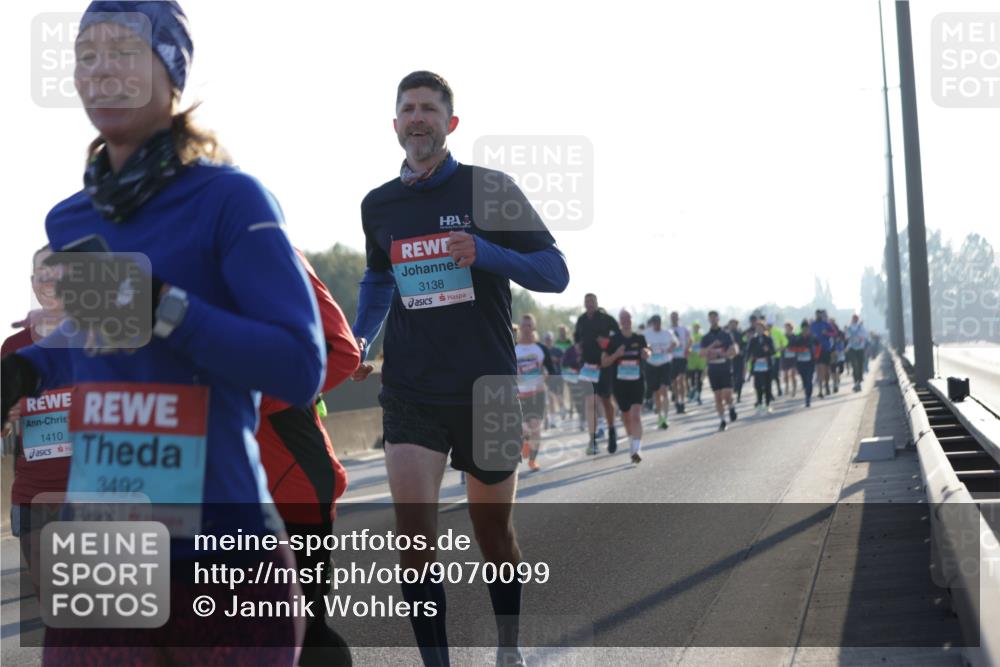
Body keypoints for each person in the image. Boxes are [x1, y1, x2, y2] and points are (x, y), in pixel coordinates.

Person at [0, 3, 325, 664]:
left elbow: (299, 365)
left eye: (123, 51)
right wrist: (32, 369)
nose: (101, 71)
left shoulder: (232, 200)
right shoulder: (70, 218)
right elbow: (109, 345)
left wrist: (167, 307)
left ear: (172, 70)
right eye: (86, 54)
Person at [348, 71, 568, 667]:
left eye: (429, 109)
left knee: (491, 533)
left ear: (451, 123)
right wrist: (361, 337)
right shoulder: (379, 206)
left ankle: (508, 646)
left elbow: (555, 271)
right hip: (411, 390)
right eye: (407, 109)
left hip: (489, 387)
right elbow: (377, 279)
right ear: (395, 124)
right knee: (414, 541)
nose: (417, 118)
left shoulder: (489, 189)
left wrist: (485, 251)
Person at [257, 249, 360, 666]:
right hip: (208, 480)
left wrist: (247, 400)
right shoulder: (160, 258)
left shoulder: (276, 253)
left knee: (302, 629)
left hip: (290, 474)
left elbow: (342, 352)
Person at [2, 246, 71, 581]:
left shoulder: (102, 338)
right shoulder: (13, 348)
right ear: (33, 282)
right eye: (42, 274)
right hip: (34, 497)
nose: (49, 282)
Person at [574, 293, 620, 455]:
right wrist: (578, 347)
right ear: (584, 304)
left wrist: (607, 347)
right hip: (588, 367)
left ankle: (612, 430)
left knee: (606, 401)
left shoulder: (606, 319)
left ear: (596, 302)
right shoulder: (581, 320)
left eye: (592, 301)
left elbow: (617, 336)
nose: (589, 304)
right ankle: (592, 440)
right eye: (587, 301)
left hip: (604, 366)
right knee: (590, 402)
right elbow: (577, 338)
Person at [602, 310, 650, 464]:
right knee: (626, 417)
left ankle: (637, 449)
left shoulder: (639, 338)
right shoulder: (613, 340)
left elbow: (648, 350)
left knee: (636, 415)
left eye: (628, 318)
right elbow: (604, 362)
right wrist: (616, 354)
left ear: (631, 319)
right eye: (623, 318)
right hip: (620, 383)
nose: (626, 321)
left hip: (637, 381)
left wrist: (646, 353)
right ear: (619, 321)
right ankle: (632, 441)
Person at [516, 315, 554, 471]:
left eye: (529, 325)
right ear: (520, 328)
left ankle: (532, 460)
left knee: (536, 428)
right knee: (524, 428)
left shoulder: (541, 349)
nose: (526, 328)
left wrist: (545, 377)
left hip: (538, 393)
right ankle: (525, 442)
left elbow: (552, 370)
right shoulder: (513, 348)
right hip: (519, 395)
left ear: (534, 328)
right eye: (524, 325)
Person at [699, 311, 738, 431]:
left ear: (718, 319)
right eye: (710, 318)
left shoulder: (726, 334)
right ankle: (722, 420)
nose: (713, 320)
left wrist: (727, 353)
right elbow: (701, 354)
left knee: (727, 395)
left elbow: (734, 349)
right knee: (717, 397)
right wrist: (712, 346)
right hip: (713, 369)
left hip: (725, 367)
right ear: (708, 320)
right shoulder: (705, 338)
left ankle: (731, 407)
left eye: (715, 318)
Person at [643, 314, 677, 430]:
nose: (658, 325)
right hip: (651, 364)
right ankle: (660, 417)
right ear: (652, 323)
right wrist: (647, 349)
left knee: (664, 390)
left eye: (659, 322)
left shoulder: (667, 332)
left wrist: (670, 349)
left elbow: (675, 343)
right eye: (655, 323)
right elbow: (641, 346)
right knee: (656, 393)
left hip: (665, 363)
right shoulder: (646, 333)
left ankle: (665, 418)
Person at [746, 319, 776, 414]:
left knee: (767, 385)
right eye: (757, 328)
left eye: (761, 328)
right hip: (757, 365)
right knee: (758, 385)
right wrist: (747, 360)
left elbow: (773, 351)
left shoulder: (768, 339)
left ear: (764, 329)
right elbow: (748, 351)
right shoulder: (753, 340)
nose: (759, 330)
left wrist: (768, 350)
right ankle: (759, 403)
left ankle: (767, 404)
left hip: (767, 365)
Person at [788, 320, 818, 407]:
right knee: (805, 381)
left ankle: (808, 398)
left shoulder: (813, 337)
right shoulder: (797, 338)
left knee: (809, 380)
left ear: (809, 329)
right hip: (800, 363)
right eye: (804, 329)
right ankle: (806, 391)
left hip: (810, 362)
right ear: (801, 329)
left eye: (807, 329)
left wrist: (816, 355)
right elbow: (791, 348)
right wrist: (801, 350)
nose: (805, 331)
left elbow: (818, 346)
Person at [560, 342, 588, 432]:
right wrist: (574, 362)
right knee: (577, 400)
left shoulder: (586, 348)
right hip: (573, 378)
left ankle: (584, 419)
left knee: (585, 399)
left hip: (586, 378)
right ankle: (581, 419)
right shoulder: (570, 350)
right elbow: (564, 363)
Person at [810, 309, 836, 399]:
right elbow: (808, 335)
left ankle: (827, 385)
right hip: (816, 350)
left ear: (822, 315)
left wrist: (827, 333)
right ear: (815, 315)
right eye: (817, 315)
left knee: (826, 370)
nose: (818, 316)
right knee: (818, 370)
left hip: (826, 349)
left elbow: (834, 333)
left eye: (820, 315)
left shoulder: (826, 324)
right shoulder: (812, 325)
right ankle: (820, 390)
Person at [669, 311, 691, 414]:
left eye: (676, 317)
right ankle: (677, 401)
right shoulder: (668, 330)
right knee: (674, 382)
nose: (674, 318)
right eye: (672, 317)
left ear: (678, 318)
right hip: (671, 358)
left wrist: (687, 349)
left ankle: (682, 402)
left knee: (681, 380)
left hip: (682, 357)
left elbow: (690, 340)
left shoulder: (684, 329)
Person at [542, 331, 566, 427]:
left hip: (558, 375)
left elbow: (565, 361)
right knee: (551, 397)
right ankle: (552, 420)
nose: (548, 341)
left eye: (549, 339)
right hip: (548, 377)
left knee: (559, 396)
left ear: (552, 340)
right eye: (546, 340)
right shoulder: (542, 350)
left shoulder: (557, 350)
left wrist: (557, 360)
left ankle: (562, 408)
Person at [727, 318, 747, 402]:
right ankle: (732, 392)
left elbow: (745, 345)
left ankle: (739, 396)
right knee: (731, 377)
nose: (732, 325)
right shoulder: (726, 335)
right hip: (729, 359)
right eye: (731, 324)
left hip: (739, 358)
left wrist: (742, 352)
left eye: (734, 324)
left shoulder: (741, 334)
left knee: (739, 378)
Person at [686, 321, 706, 405]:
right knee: (693, 379)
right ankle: (693, 393)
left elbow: (705, 347)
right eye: (695, 326)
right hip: (692, 360)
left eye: (698, 326)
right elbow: (687, 348)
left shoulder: (702, 336)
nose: (696, 328)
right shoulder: (690, 337)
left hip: (701, 360)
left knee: (700, 380)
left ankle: (699, 396)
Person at [767, 317, 787, 398]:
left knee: (775, 374)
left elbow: (785, 341)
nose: (769, 326)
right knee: (769, 375)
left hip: (776, 356)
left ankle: (779, 389)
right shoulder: (765, 332)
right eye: (768, 325)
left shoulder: (777, 331)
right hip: (767, 357)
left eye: (770, 325)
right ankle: (770, 393)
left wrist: (781, 348)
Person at [780, 321, 798, 397]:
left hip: (793, 357)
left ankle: (794, 389)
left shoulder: (795, 337)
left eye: (788, 328)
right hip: (785, 357)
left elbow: (798, 346)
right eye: (786, 328)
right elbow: (780, 346)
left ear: (791, 328)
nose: (787, 329)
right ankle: (787, 387)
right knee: (786, 375)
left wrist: (792, 349)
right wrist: (782, 348)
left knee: (793, 374)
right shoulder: (783, 337)